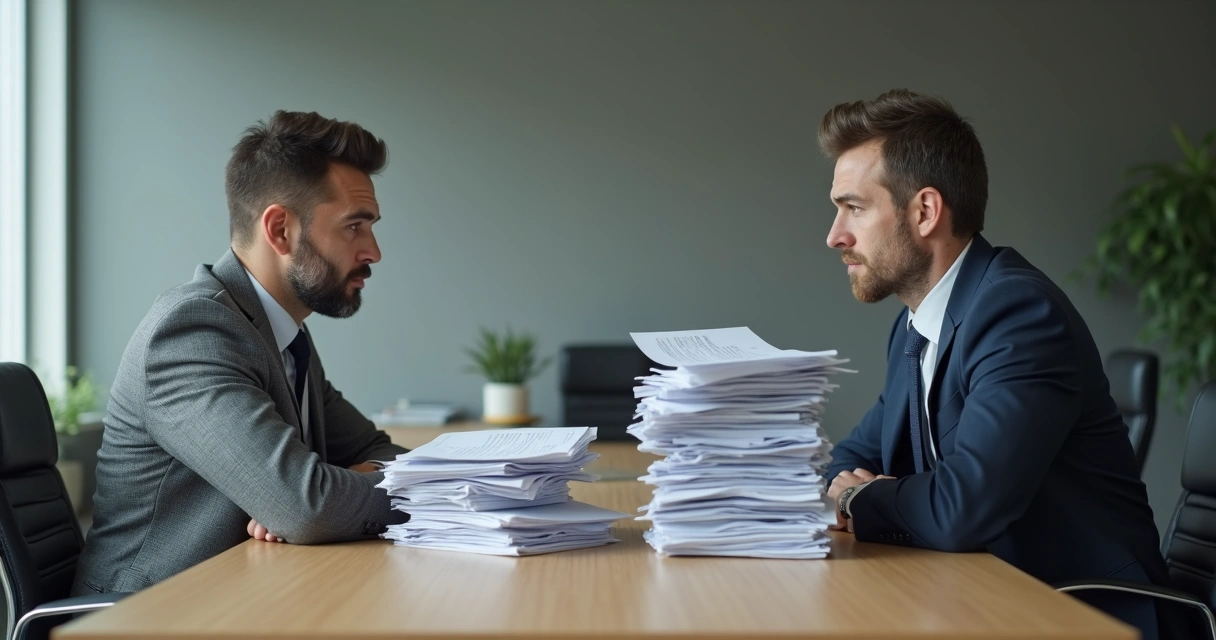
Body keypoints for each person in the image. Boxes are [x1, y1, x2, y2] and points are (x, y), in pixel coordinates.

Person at [821, 90, 1184, 638]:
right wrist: (851, 486)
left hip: (1086, 615)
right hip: (982, 598)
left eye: (854, 207)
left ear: (924, 211)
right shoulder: (914, 329)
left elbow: (962, 508)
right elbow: (852, 455)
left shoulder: (1018, 313)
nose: (835, 236)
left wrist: (859, 496)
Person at [73, 111, 408, 595]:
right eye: (354, 226)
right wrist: (306, 500)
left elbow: (377, 454)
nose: (373, 251)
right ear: (279, 230)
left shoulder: (284, 337)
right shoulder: (190, 333)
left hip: (244, 598)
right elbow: (308, 508)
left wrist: (329, 489)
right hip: (145, 616)